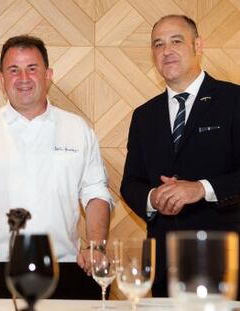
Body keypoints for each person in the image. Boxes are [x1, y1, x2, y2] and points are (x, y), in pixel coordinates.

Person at [0, 35, 113, 299]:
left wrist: (96, 247)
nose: (23, 78)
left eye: (32, 69)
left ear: (48, 75)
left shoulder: (77, 129)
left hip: (65, 268)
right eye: (14, 70)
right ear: (1, 80)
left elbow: (96, 194)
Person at [120, 14, 240, 297]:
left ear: (198, 45)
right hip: (164, 267)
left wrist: (202, 188)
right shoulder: (144, 115)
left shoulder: (234, 101)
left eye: (176, 41)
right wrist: (153, 198)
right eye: (158, 44)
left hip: (226, 263)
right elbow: (130, 182)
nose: (166, 51)